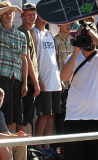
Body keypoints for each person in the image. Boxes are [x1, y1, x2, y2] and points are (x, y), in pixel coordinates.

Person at [60, 23, 98, 160]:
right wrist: (76, 51)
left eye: (90, 37)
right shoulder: (72, 57)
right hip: (74, 117)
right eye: (84, 37)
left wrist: (93, 34)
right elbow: (64, 77)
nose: (88, 40)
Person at [0, 1, 28, 131]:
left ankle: (12, 141)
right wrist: (10, 7)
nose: (8, 14)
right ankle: (4, 140)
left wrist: (25, 82)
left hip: (17, 78)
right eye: (5, 12)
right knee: (5, 113)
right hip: (3, 76)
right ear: (0, 15)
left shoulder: (21, 35)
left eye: (11, 12)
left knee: (16, 115)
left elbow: (24, 59)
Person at [31, 16, 63, 158]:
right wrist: (38, 79)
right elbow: (32, 58)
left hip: (54, 80)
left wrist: (59, 78)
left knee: (52, 114)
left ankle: (47, 145)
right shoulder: (33, 32)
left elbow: (54, 57)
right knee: (44, 114)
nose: (44, 19)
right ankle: (38, 146)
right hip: (43, 79)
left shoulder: (49, 33)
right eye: (40, 16)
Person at [16, 3, 40, 135]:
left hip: (29, 81)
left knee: (28, 117)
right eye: (29, 14)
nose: (32, 17)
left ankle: (28, 145)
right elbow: (26, 59)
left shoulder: (28, 32)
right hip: (26, 82)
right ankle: (23, 146)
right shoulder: (23, 31)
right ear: (22, 16)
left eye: (34, 14)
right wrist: (35, 82)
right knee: (24, 118)